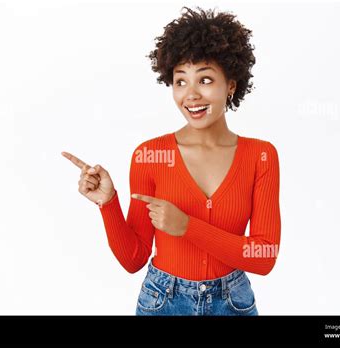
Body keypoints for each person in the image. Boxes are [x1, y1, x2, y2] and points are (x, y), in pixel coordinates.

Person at [62, 6, 281, 316]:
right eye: (180, 82)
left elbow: (264, 256)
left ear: (230, 84)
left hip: (232, 303)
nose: (190, 95)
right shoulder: (149, 156)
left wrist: (188, 227)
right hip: (163, 302)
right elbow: (134, 259)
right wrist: (108, 203)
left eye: (204, 80)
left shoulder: (261, 156)